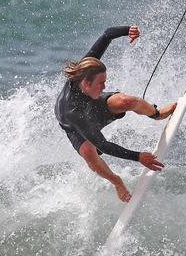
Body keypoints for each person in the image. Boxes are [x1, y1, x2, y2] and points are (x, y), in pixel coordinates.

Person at [55, 25, 179, 202]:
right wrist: (138, 157)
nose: (105, 87)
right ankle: (117, 182)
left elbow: (107, 34)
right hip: (77, 127)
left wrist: (129, 29)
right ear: (86, 83)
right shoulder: (71, 111)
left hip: (94, 106)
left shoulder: (87, 68)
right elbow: (103, 145)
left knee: (126, 101)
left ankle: (157, 113)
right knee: (89, 153)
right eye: (101, 83)